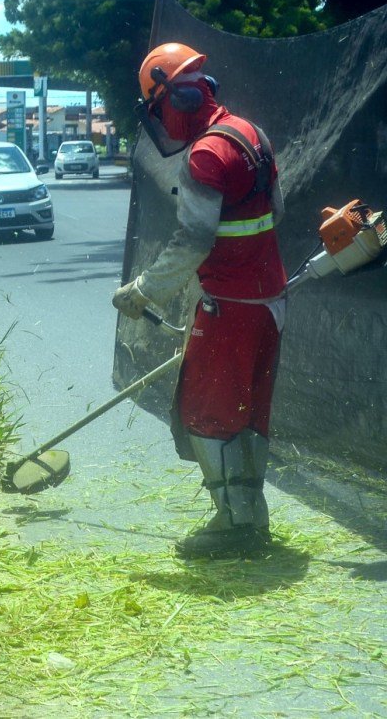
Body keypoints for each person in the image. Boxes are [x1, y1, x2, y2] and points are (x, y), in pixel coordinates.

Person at [112, 43, 286, 558]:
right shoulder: (251, 133)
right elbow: (274, 210)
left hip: (230, 306)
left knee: (208, 411)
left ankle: (233, 525)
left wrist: (144, 291)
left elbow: (193, 239)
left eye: (158, 107)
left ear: (178, 99)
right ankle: (251, 516)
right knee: (248, 410)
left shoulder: (207, 155)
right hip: (270, 303)